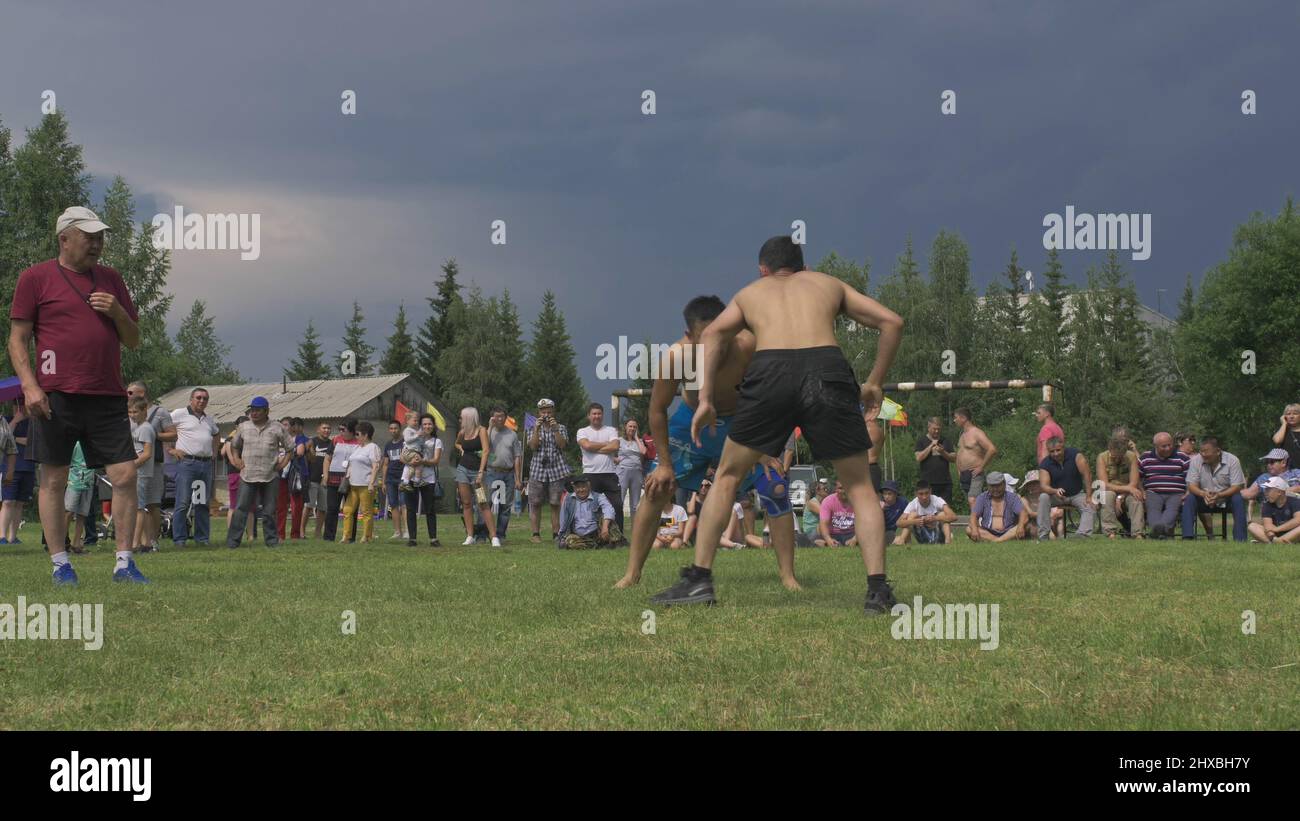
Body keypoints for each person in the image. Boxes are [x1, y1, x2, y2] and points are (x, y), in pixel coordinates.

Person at [651, 237, 904, 611]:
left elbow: (716, 334)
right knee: (860, 486)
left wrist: (705, 399)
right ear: (803, 267)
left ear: (762, 269)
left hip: (771, 373)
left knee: (727, 477)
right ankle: (877, 591)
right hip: (826, 370)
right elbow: (892, 321)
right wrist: (875, 381)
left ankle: (699, 581)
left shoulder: (751, 292)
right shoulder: (827, 284)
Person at [614, 295, 799, 591]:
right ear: (689, 335)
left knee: (774, 484)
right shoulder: (677, 356)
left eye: (721, 336)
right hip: (690, 423)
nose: (716, 345)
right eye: (706, 338)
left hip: (739, 421)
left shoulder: (747, 345)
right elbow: (657, 410)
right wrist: (663, 464)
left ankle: (788, 577)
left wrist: (764, 450)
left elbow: (767, 397)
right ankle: (632, 573)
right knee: (656, 487)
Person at [8, 206, 148, 583]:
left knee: (124, 476)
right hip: (55, 396)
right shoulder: (34, 278)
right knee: (53, 479)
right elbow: (18, 339)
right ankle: (60, 564)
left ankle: (124, 563)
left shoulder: (112, 279)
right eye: (89, 236)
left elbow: (133, 340)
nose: (97, 244)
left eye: (100, 237)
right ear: (64, 238)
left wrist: (118, 311)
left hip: (105, 395)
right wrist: (30, 385)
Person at [226, 397, 293, 548]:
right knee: (241, 509)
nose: (254, 413)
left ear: (266, 411)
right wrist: (236, 460)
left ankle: (271, 541)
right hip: (247, 475)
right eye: (252, 410)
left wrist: (282, 464)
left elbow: (290, 447)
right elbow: (234, 445)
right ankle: (233, 542)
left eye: (257, 410)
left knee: (269, 511)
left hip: (270, 475)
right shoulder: (243, 426)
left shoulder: (277, 427)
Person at [126, 381, 176, 552]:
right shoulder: (130, 417)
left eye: (131, 393)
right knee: (139, 504)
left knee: (152, 503)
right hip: (136, 465)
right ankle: (144, 541)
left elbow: (173, 434)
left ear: (143, 393)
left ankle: (152, 540)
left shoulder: (159, 412)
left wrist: (154, 434)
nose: (128, 395)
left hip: (151, 464)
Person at [170, 387, 221, 548]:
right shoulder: (179, 414)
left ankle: (202, 538)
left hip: (205, 465)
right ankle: (179, 539)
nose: (201, 401)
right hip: (187, 463)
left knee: (202, 503)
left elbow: (217, 434)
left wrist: (214, 452)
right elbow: (162, 429)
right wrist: (171, 449)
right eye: (198, 397)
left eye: (205, 398)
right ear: (191, 399)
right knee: (183, 502)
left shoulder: (208, 419)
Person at [1182, 436, 1247, 542]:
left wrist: (1220, 495)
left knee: (1238, 499)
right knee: (1190, 499)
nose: (1203, 454)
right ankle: (1187, 537)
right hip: (1204, 497)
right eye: (1201, 451)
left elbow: (1237, 486)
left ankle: (1240, 539)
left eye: (1206, 451)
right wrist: (1203, 494)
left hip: (1226, 497)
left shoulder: (1233, 460)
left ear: (1217, 451)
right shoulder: (1196, 460)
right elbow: (1191, 485)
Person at [577, 403, 625, 539]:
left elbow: (615, 446)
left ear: (602, 415)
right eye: (594, 414)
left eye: (599, 413)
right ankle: (594, 535)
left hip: (609, 473)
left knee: (617, 505)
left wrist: (593, 447)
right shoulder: (582, 431)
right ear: (589, 416)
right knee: (592, 507)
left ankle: (619, 536)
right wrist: (606, 444)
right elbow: (586, 445)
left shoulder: (610, 430)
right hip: (590, 474)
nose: (596, 416)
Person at [453, 408, 499, 546]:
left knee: (483, 503)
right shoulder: (462, 432)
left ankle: (494, 536)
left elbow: (486, 451)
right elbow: (457, 443)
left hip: (477, 472)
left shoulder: (481, 430)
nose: (460, 420)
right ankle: (470, 535)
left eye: (462, 417)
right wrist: (461, 449)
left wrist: (481, 472)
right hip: (462, 470)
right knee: (466, 504)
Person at [526, 398, 571, 543]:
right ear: (539, 413)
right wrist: (537, 429)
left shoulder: (561, 427)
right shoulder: (532, 427)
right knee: (535, 503)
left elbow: (562, 445)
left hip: (556, 469)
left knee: (555, 503)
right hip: (537, 470)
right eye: (543, 412)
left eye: (549, 412)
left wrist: (555, 429)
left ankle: (556, 534)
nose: (546, 414)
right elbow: (533, 447)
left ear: (553, 412)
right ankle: (535, 534)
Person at [1036, 438, 1096, 539]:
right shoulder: (1045, 463)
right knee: (1043, 497)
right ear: (1048, 451)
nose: (1055, 453)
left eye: (1058, 450)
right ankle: (1043, 535)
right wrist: (1055, 491)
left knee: (1090, 505)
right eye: (1052, 451)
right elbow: (1044, 486)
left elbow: (1087, 475)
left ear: (1063, 447)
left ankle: (1082, 535)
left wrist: (1089, 496)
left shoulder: (1076, 455)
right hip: (1057, 497)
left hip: (1077, 494)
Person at [1138, 433, 1191, 539]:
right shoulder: (1145, 458)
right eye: (1164, 446)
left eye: (1170, 445)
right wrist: (1142, 491)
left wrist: (1188, 492)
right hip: (1153, 492)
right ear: (1156, 446)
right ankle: (1160, 531)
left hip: (1176, 493)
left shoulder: (1182, 457)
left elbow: (1190, 477)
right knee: (1152, 509)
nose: (1168, 448)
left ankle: (1157, 531)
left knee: (1172, 510)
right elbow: (1137, 477)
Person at [403, 413, 443, 547]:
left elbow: (436, 461)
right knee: (410, 508)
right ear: (420, 425)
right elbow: (402, 458)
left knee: (430, 509)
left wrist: (423, 460)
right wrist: (411, 460)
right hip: (410, 476)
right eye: (424, 424)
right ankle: (412, 538)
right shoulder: (411, 438)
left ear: (433, 426)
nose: (427, 426)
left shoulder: (436, 441)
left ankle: (433, 538)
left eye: (429, 424)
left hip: (428, 478)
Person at [484, 406, 523, 540]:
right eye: (496, 416)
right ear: (492, 417)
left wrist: (518, 479)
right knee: (485, 502)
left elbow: (517, 456)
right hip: (491, 472)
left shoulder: (512, 434)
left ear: (505, 417)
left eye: (502, 416)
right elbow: (485, 447)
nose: (499, 418)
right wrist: (489, 427)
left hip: (508, 474)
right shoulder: (487, 431)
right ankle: (482, 533)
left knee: (505, 505)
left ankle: (500, 534)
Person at [0, 399, 35, 544]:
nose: (19, 407)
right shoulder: (6, 420)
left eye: (22, 404)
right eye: (17, 404)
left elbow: (32, 441)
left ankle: (12, 537)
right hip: (9, 467)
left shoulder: (33, 422)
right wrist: (14, 421)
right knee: (7, 501)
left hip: (28, 467)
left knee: (20, 503)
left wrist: (14, 438)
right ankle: (2, 536)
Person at [340, 422, 382, 543]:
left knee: (366, 511)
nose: (356, 436)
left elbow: (375, 466)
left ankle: (366, 536)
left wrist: (371, 483)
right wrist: (347, 474)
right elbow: (351, 463)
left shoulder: (373, 447)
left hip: (365, 484)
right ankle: (346, 536)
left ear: (365, 435)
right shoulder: (357, 448)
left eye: (358, 434)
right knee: (347, 510)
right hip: (353, 484)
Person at [1097, 435, 1145, 538]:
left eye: (1120, 457)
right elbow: (1104, 484)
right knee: (1107, 496)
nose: (1117, 460)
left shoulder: (1131, 456)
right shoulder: (1102, 457)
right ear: (1110, 449)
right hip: (1110, 490)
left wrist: (1121, 497)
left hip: (1127, 492)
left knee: (1136, 498)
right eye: (1114, 457)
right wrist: (1127, 489)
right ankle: (1110, 533)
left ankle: (1137, 533)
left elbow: (1134, 482)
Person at [321, 418, 360, 542]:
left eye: (343, 429)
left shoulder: (359, 442)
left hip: (352, 479)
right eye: (340, 429)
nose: (341, 432)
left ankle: (350, 537)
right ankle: (328, 537)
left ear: (352, 431)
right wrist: (325, 476)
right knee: (332, 508)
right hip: (334, 478)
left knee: (351, 510)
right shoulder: (335, 440)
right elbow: (327, 459)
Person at [127, 397, 156, 552]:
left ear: (144, 410)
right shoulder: (136, 427)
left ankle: (135, 543)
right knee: (140, 507)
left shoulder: (145, 428)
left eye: (136, 412)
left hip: (141, 473)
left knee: (138, 508)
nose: (132, 415)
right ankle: (147, 542)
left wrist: (130, 466)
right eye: (130, 412)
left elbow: (146, 454)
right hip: (137, 471)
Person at [954, 408, 997, 512]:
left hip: (975, 473)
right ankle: (981, 522)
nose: (954, 420)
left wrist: (981, 467)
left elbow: (992, 449)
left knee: (973, 499)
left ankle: (975, 526)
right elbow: (960, 453)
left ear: (963, 418)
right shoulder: (962, 434)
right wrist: (959, 470)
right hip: (964, 474)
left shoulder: (977, 432)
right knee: (973, 502)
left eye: (956, 418)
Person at [555, 475, 615, 549]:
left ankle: (602, 541)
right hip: (578, 535)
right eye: (578, 487)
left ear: (589, 486)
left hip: (597, 532)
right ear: (574, 488)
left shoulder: (598, 496)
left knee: (609, 521)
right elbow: (563, 519)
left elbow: (609, 509)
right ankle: (598, 544)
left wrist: (605, 527)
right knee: (570, 542)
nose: (581, 490)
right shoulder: (568, 499)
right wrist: (561, 536)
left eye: (583, 487)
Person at [221, 416, 254, 542]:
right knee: (234, 505)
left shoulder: (251, 440)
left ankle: (250, 535)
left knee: (250, 506)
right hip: (235, 473)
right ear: (237, 426)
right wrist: (242, 468)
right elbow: (231, 459)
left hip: (250, 474)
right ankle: (231, 533)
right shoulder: (231, 440)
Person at [275, 416, 308, 541]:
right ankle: (280, 534)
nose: (283, 427)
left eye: (286, 424)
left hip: (294, 475)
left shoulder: (297, 438)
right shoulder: (277, 439)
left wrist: (285, 455)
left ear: (292, 427)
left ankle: (295, 534)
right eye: (281, 424)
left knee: (296, 506)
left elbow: (300, 452)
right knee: (280, 506)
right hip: (280, 474)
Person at [968, 472, 1027, 543]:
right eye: (992, 486)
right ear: (988, 486)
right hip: (988, 531)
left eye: (998, 486)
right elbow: (974, 515)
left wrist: (1020, 526)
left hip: (1008, 531)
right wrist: (974, 529)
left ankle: (996, 541)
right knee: (969, 529)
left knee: (1023, 525)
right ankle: (1000, 540)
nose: (995, 489)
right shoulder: (982, 497)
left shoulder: (1013, 497)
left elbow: (1023, 513)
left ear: (1004, 484)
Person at [915, 416, 956, 505]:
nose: (937, 431)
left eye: (938, 429)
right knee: (929, 510)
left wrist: (943, 452)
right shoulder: (921, 440)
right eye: (934, 429)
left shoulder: (945, 440)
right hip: (928, 483)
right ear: (928, 427)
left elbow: (954, 458)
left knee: (945, 509)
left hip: (945, 482)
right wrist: (930, 446)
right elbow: (918, 458)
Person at [1246, 477, 1300, 544]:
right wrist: (1272, 535)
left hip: (1293, 533)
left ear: (1279, 492)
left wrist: (1277, 529)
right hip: (1275, 534)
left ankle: (1273, 542)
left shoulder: (1295, 501)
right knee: (1252, 526)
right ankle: (1279, 542)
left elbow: (1298, 520)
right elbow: (1267, 526)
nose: (1265, 493)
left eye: (1268, 490)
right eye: (1265, 490)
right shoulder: (1266, 505)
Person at [381, 421, 408, 541]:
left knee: (404, 504)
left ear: (400, 429)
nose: (393, 430)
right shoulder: (388, 445)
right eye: (391, 428)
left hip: (403, 477)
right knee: (393, 505)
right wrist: (383, 481)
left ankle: (407, 531)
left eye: (395, 428)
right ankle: (397, 532)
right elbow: (385, 464)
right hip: (390, 479)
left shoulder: (405, 443)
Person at [615, 418, 647, 519]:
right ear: (626, 427)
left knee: (635, 505)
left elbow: (643, 452)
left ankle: (635, 531)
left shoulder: (640, 441)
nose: (632, 428)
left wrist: (636, 437)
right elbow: (609, 454)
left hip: (637, 473)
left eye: (634, 427)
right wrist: (615, 459)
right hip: (622, 471)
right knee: (620, 500)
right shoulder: (619, 440)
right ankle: (618, 529)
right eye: (630, 426)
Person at [307, 421, 333, 539]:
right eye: (324, 428)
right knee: (308, 506)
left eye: (328, 428)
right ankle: (301, 532)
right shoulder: (312, 441)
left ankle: (317, 532)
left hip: (325, 480)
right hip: (312, 478)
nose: (326, 430)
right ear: (318, 429)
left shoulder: (332, 444)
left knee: (323, 508)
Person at [817, 480, 858, 546]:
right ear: (836, 489)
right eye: (841, 488)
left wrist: (855, 538)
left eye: (847, 487)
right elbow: (823, 523)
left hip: (853, 533)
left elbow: (864, 523)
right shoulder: (828, 501)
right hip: (833, 534)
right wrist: (828, 539)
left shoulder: (858, 501)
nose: (844, 491)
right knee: (818, 541)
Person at [799, 477, 831, 546]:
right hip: (810, 533)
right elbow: (826, 514)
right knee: (823, 523)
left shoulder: (822, 502)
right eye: (825, 489)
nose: (827, 490)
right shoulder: (812, 503)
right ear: (817, 491)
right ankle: (816, 542)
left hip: (818, 531)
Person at [1271, 404, 1300, 470]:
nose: (1291, 416)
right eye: (1288, 414)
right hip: (1287, 472)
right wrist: (1284, 424)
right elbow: (1277, 440)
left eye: (1295, 414)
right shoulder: (1282, 430)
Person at [879, 480, 907, 546]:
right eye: (884, 494)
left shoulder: (903, 502)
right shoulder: (879, 504)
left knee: (907, 523)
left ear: (896, 494)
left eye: (889, 494)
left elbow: (909, 515)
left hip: (898, 529)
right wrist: (880, 511)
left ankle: (905, 542)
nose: (886, 496)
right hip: (884, 531)